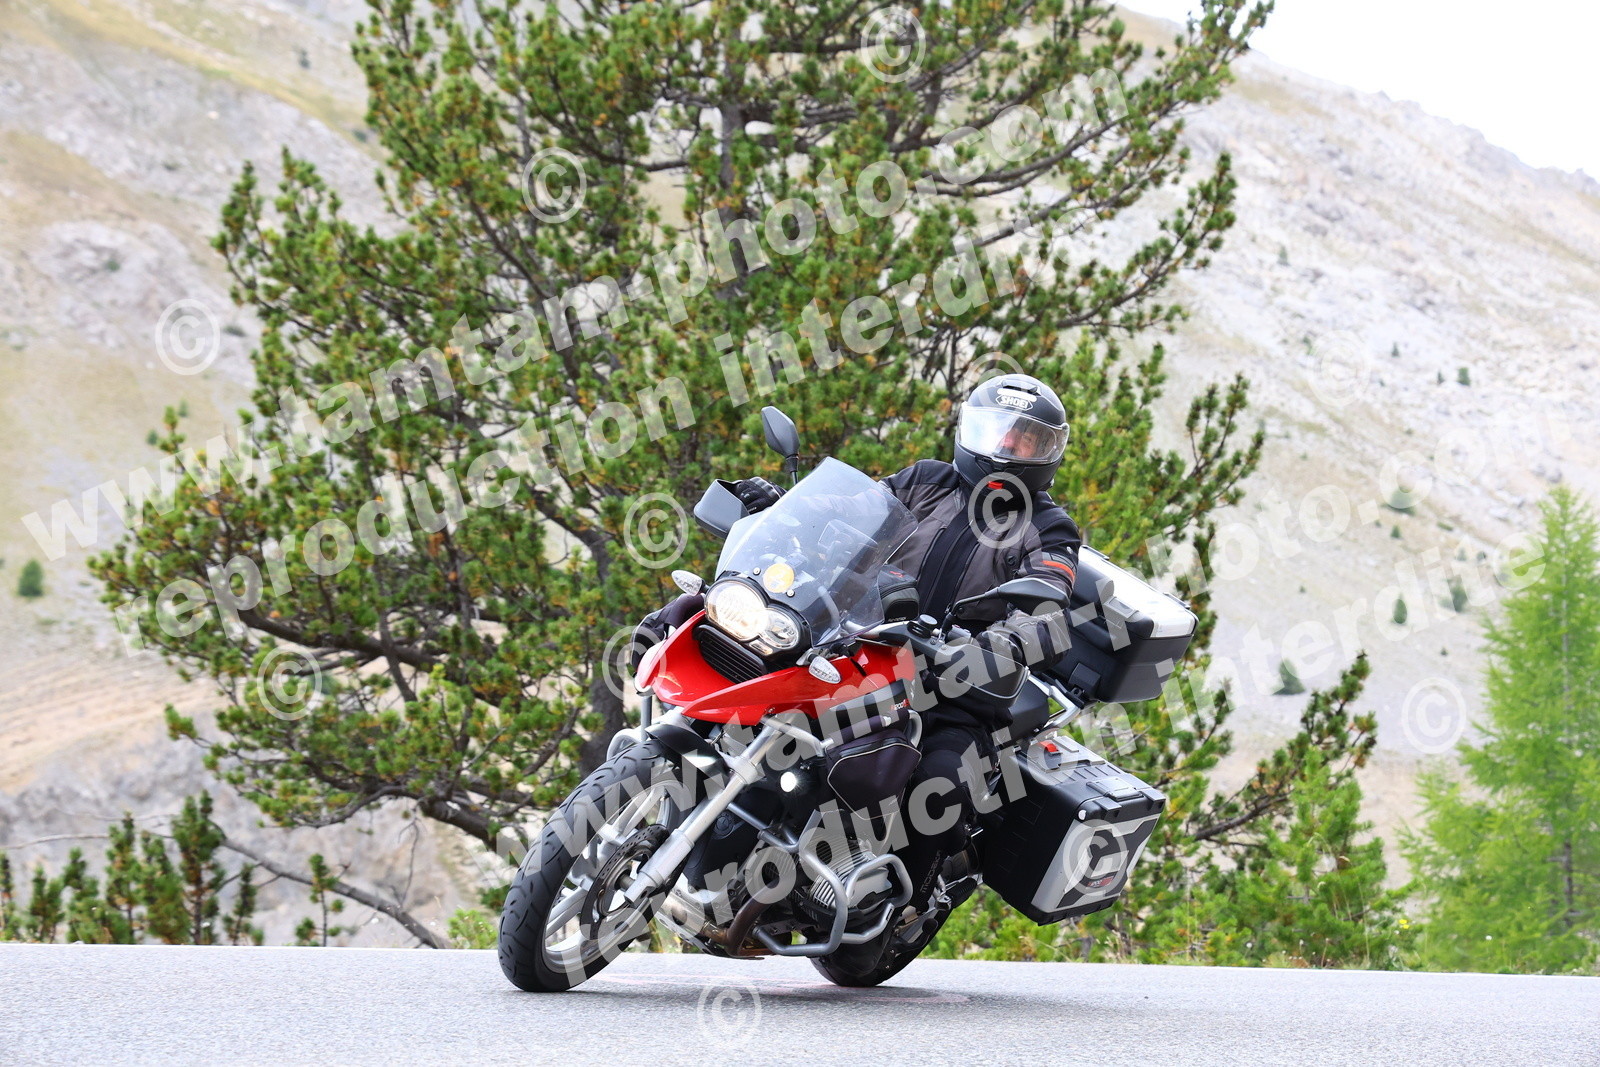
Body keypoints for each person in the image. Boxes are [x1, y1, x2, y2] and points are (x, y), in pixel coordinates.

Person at [633, 373, 1082, 915]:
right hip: (859, 645)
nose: (1007, 447)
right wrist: (780, 507)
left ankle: (902, 907)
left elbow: (1047, 606)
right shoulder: (926, 480)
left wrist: (996, 646)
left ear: (1047, 452)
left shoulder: (1050, 528)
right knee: (725, 639)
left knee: (941, 785)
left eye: (1025, 439)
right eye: (999, 432)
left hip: (949, 684)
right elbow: (850, 508)